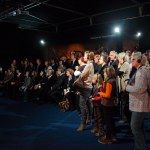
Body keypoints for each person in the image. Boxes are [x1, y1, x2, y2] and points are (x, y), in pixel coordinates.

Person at [123, 52, 150, 150]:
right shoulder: (140, 70)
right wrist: (128, 82)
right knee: (139, 127)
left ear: (139, 61)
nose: (131, 60)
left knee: (134, 126)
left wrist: (126, 87)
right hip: (139, 103)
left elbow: (140, 89)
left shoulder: (142, 71)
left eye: (133, 59)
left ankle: (140, 148)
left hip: (140, 104)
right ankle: (140, 147)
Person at [76, 51, 94, 131]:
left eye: (85, 56)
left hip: (86, 88)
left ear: (88, 57)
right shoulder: (90, 64)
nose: (84, 57)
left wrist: (77, 72)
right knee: (87, 105)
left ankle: (83, 124)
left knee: (82, 105)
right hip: (87, 87)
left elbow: (82, 75)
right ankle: (89, 120)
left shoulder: (89, 65)